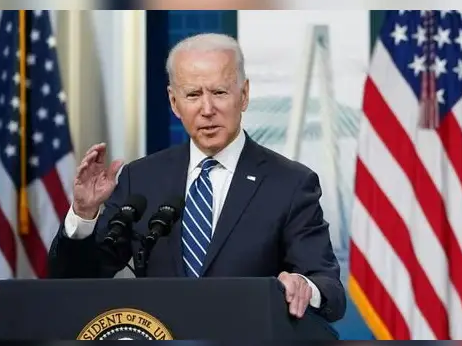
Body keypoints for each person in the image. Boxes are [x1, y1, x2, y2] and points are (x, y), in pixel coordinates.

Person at [47, 33, 345, 322]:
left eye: (219, 92)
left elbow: (330, 289)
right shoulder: (140, 179)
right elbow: (76, 280)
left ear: (244, 95)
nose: (207, 109)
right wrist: (84, 214)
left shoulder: (290, 183)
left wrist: (306, 288)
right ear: (174, 102)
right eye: (193, 95)